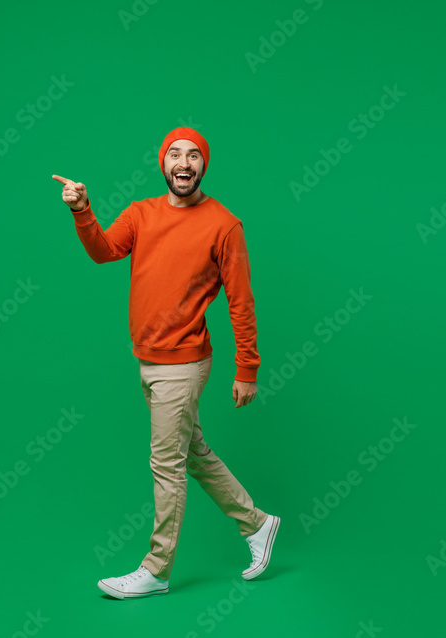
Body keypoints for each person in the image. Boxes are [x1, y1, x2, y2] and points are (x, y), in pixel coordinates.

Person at [51, 126, 280, 600]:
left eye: (193, 155)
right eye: (175, 154)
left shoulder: (224, 224)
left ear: (203, 166)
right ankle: (257, 525)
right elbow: (104, 252)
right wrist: (81, 210)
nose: (184, 162)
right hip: (148, 360)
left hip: (184, 362)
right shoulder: (142, 213)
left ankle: (156, 570)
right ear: (163, 163)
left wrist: (248, 369)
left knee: (166, 464)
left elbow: (241, 302)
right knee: (191, 451)